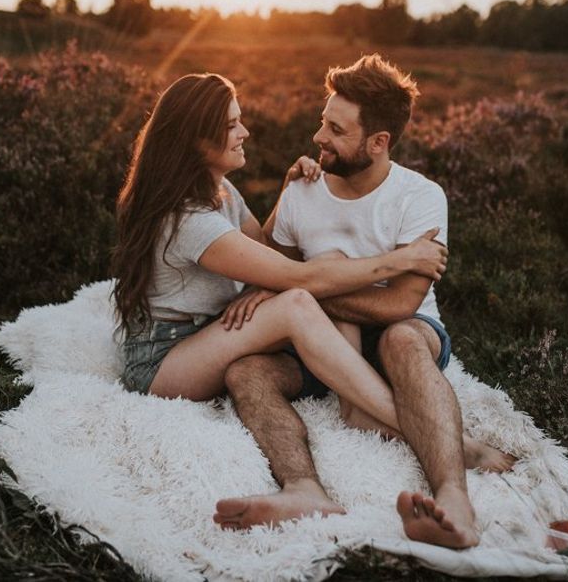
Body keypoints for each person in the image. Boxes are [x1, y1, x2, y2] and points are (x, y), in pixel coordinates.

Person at [212, 55, 517, 549]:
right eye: (323, 121)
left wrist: (302, 293)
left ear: (378, 142)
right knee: (245, 372)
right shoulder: (304, 188)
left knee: (400, 341)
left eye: (336, 130)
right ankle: (303, 489)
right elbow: (271, 266)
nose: (319, 137)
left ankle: (454, 500)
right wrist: (286, 197)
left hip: (404, 331)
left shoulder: (419, 197)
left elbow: (399, 304)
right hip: (321, 340)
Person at [110, 73, 449, 446]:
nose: (244, 133)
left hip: (206, 333)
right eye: (231, 125)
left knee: (324, 268)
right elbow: (297, 276)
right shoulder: (188, 220)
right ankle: (425, 433)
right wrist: (403, 260)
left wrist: (289, 191)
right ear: (195, 140)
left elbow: (263, 248)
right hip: (164, 360)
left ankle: (359, 409)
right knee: (296, 304)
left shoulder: (220, 190)